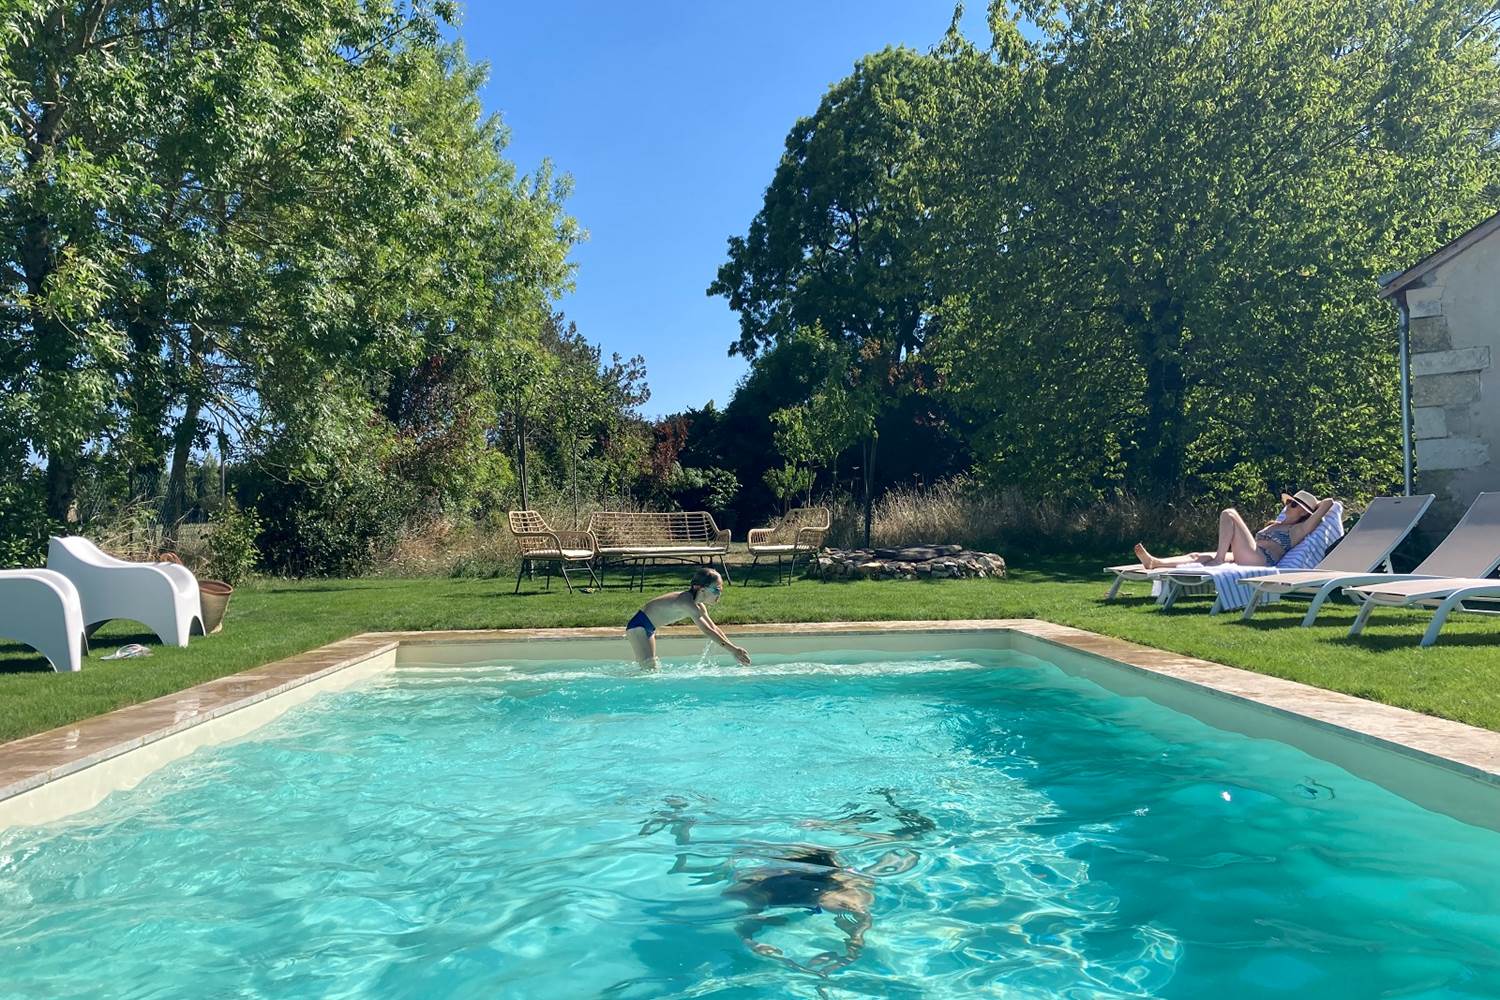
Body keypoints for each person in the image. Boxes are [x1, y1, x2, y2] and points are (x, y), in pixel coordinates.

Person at [1133, 489, 1335, 570]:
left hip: (1261, 559)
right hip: (1251, 554)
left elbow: (1329, 502)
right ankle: (1156, 562)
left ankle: (1220, 560)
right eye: (1289, 502)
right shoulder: (1278, 523)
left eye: (1293, 504)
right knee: (1197, 555)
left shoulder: (1299, 530)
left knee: (1229, 513)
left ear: (1303, 512)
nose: (1288, 505)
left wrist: (1313, 508)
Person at [626, 567, 751, 670]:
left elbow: (714, 628)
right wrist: (733, 650)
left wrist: (734, 649)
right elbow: (707, 631)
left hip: (648, 628)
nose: (719, 595)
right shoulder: (686, 602)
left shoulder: (699, 606)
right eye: (716, 590)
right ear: (701, 589)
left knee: (650, 668)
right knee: (649, 669)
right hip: (638, 627)